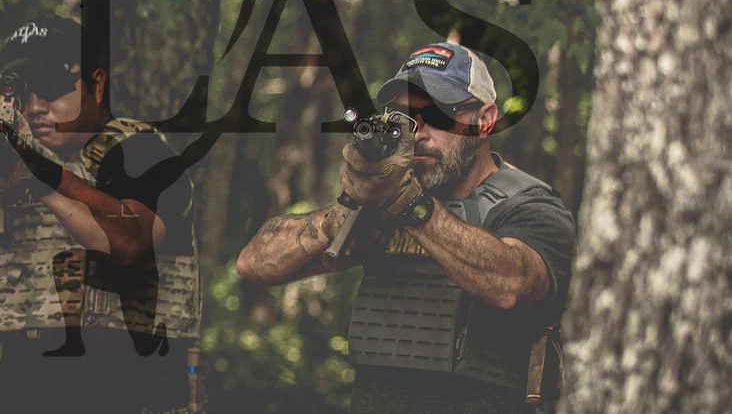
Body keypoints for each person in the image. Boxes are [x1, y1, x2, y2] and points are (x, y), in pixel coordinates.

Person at [236, 42, 576, 413]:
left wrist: (410, 204)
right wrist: (340, 214)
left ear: (485, 119)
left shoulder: (533, 207)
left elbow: (512, 282)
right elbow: (254, 264)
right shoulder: (388, 203)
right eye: (403, 116)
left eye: (438, 113)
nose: (419, 132)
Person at [0, 16, 203, 414]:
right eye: (24, 91)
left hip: (131, 397)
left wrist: (42, 177)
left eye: (51, 87)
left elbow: (130, 243)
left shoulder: (142, 153)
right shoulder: (12, 164)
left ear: (97, 85)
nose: (35, 107)